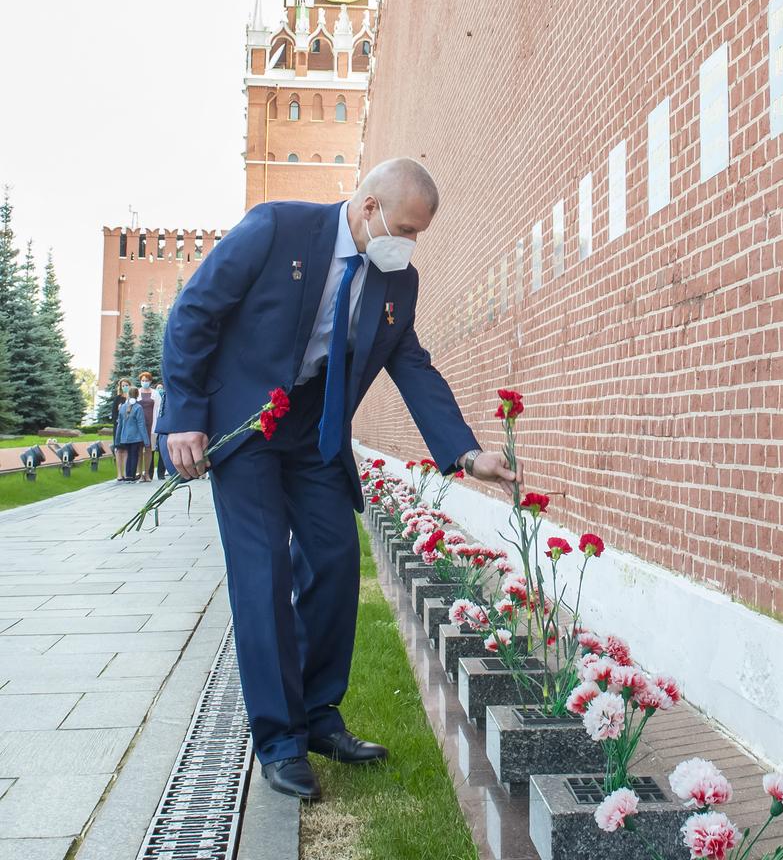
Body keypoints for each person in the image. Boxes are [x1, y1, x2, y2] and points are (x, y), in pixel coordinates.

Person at [160, 158, 521, 804]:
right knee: (263, 572)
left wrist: (465, 454)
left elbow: (411, 364)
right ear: (367, 208)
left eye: (418, 236)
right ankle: (279, 741)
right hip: (243, 426)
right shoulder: (275, 229)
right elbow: (194, 312)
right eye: (404, 228)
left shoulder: (395, 282)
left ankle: (320, 716)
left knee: (332, 558)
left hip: (313, 435)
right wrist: (184, 415)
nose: (407, 245)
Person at [114, 386, 149, 480]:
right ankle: (132, 475)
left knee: (129, 454)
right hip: (136, 436)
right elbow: (141, 425)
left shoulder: (122, 408)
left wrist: (117, 440)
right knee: (134, 455)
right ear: (137, 395)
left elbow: (119, 425)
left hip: (125, 436)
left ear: (128, 395)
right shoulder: (138, 407)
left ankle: (128, 474)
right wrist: (146, 441)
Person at [136, 372, 162, 482]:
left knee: (148, 449)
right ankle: (139, 473)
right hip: (139, 426)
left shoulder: (155, 393)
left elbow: (159, 408)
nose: (145, 382)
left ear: (150, 381)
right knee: (139, 450)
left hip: (151, 424)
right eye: (143, 380)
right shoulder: (137, 392)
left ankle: (147, 473)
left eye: (147, 380)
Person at [110, 378, 132, 480]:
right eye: (123, 386)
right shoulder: (117, 398)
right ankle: (119, 473)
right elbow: (113, 414)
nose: (125, 387)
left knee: (127, 450)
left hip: (129, 427)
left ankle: (126, 472)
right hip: (119, 427)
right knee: (119, 450)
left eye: (126, 385)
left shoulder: (132, 398)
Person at [152, 383, 167, 479]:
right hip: (155, 426)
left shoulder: (166, 397)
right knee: (153, 449)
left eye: (161, 388)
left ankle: (161, 473)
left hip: (164, 427)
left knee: (163, 451)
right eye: (158, 388)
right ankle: (151, 472)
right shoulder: (154, 399)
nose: (160, 390)